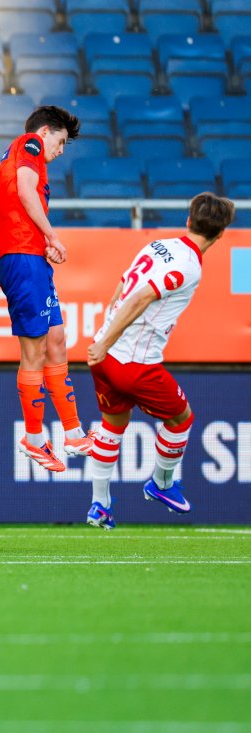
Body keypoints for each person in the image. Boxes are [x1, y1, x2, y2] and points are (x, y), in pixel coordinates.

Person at [84, 192, 235, 529]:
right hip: (134, 362)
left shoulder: (157, 246)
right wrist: (109, 341)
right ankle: (161, 484)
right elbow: (141, 297)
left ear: (188, 220)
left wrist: (104, 338)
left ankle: (99, 504)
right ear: (221, 234)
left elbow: (122, 286)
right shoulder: (189, 265)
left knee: (113, 424)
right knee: (181, 418)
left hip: (104, 356)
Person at [0, 105, 93, 473]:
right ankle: (34, 438)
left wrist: (43, 240)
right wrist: (51, 233)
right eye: (62, 141)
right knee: (34, 349)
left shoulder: (25, 152)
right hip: (20, 257)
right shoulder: (30, 144)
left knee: (56, 339)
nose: (61, 150)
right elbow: (24, 188)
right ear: (47, 130)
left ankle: (73, 431)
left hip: (31, 255)